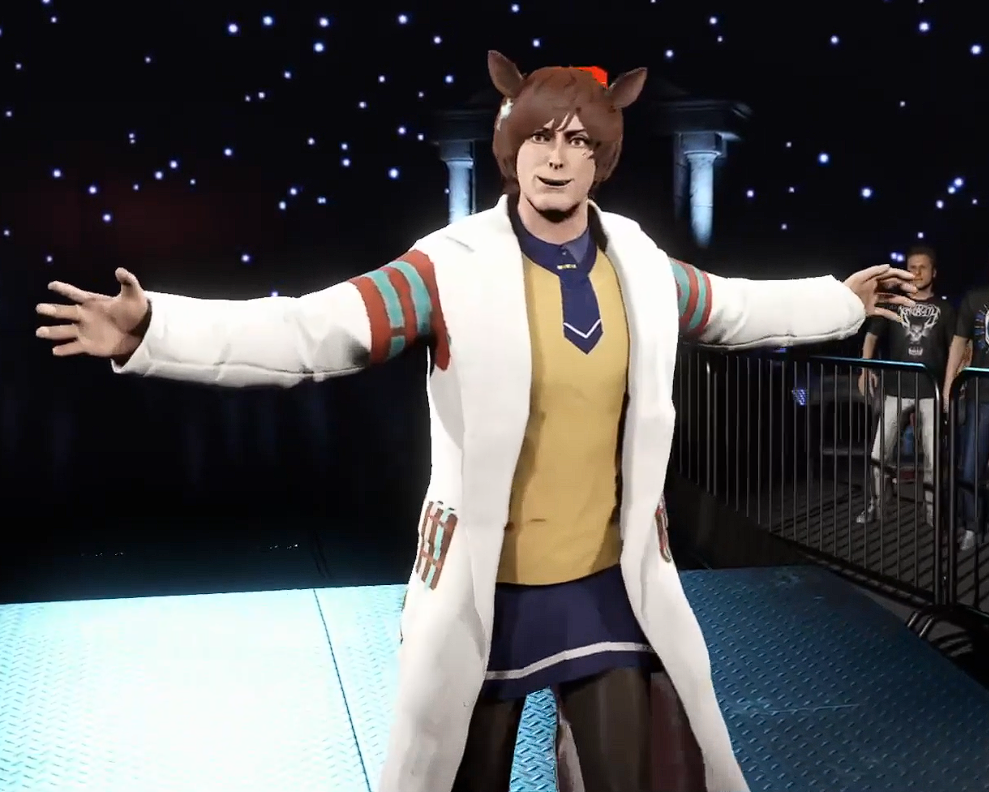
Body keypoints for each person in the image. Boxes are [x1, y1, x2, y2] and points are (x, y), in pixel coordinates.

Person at [36, 51, 914, 792]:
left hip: (607, 581)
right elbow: (311, 330)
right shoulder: (447, 269)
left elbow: (733, 307)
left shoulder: (640, 266)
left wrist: (841, 300)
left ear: (602, 157)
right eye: (539, 138)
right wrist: (154, 329)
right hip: (484, 590)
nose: (556, 158)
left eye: (577, 141)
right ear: (510, 147)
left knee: (631, 773)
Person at [856, 245, 953, 527]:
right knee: (878, 455)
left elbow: (957, 347)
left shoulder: (946, 309)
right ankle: (877, 506)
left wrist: (951, 386)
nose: (917, 272)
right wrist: (865, 369)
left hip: (931, 393)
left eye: (923, 267)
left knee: (933, 460)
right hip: (895, 390)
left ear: (934, 272)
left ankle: (933, 512)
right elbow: (871, 337)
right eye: (912, 267)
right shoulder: (893, 303)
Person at [945, 282, 989, 551]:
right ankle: (972, 525)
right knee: (971, 465)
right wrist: (948, 386)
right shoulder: (975, 298)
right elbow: (958, 342)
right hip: (980, 395)